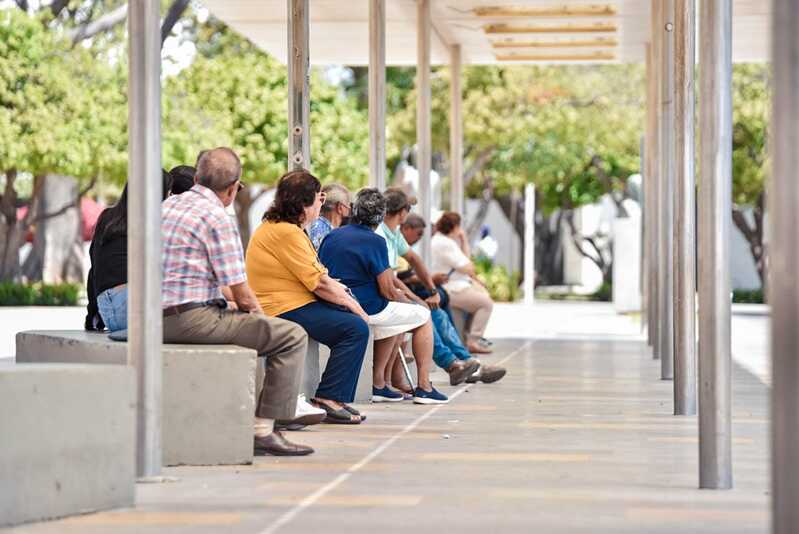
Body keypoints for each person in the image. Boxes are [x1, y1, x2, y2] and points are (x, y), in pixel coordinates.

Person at [160, 147, 313, 456]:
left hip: (151, 317)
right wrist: (261, 320)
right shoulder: (217, 217)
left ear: (198, 176)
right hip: (188, 321)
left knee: (241, 321)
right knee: (290, 336)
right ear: (232, 188)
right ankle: (264, 430)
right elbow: (241, 293)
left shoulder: (166, 206)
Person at [246, 170, 370, 424]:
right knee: (354, 327)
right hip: (281, 307)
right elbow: (320, 284)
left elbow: (316, 275)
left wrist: (344, 296)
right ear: (303, 204)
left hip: (292, 300)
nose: (320, 205)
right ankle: (328, 398)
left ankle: (332, 396)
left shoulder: (283, 228)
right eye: (318, 199)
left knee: (348, 314)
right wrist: (355, 307)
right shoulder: (287, 232)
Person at [319, 188, 448, 405]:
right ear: (380, 217)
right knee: (422, 317)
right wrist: (413, 302)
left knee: (395, 321)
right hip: (368, 307)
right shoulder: (376, 241)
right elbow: (388, 289)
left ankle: (379, 384)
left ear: (355, 210)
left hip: (335, 304)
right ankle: (425, 386)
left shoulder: (332, 236)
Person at [376, 188, 481, 388]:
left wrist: (432, 290)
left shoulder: (393, 233)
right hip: (384, 295)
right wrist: (417, 299)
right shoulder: (380, 233)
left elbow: (414, 260)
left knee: (436, 309)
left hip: (394, 291)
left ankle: (463, 361)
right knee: (424, 313)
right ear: (402, 212)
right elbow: (390, 278)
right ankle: (446, 369)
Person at [401, 213, 506, 384]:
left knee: (438, 313)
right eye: (418, 234)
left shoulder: (398, 241)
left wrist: (431, 287)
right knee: (433, 312)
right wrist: (424, 290)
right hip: (404, 297)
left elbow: (414, 266)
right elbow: (395, 278)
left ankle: (467, 363)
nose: (420, 238)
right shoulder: (389, 239)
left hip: (422, 293)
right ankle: (455, 364)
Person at [84, 170, 172, 333]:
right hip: (133, 308)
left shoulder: (107, 216)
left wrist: (92, 315)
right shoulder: (154, 221)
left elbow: (94, 268)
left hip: (108, 311)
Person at [431, 212, 495, 354]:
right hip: (451, 288)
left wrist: (463, 240)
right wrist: (464, 239)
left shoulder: (442, 241)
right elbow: (468, 266)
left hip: (454, 286)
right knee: (486, 303)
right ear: (455, 226)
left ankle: (470, 339)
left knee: (480, 298)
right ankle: (474, 340)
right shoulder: (445, 243)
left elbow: (467, 264)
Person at [308, 183, 351, 250]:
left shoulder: (316, 225)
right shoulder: (322, 231)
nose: (349, 208)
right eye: (348, 204)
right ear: (340, 207)